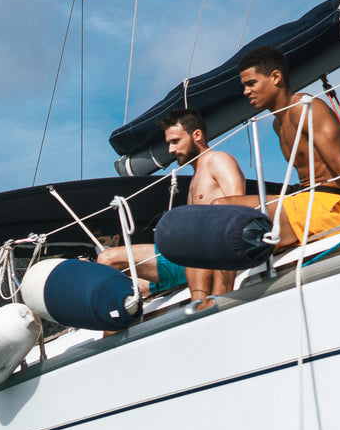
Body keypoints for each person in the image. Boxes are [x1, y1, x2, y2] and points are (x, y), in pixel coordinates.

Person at [215, 45, 340, 245]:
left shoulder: (304, 107)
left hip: (330, 205)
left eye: (251, 83)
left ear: (275, 77)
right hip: (307, 202)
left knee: (222, 209)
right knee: (217, 212)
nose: (246, 92)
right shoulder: (279, 124)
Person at [97, 109, 246, 303]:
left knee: (109, 260)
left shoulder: (218, 160)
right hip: (181, 257)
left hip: (205, 254)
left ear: (197, 135)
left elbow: (238, 211)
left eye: (175, 141)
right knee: (107, 261)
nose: (170, 150)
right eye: (169, 143)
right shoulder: (197, 175)